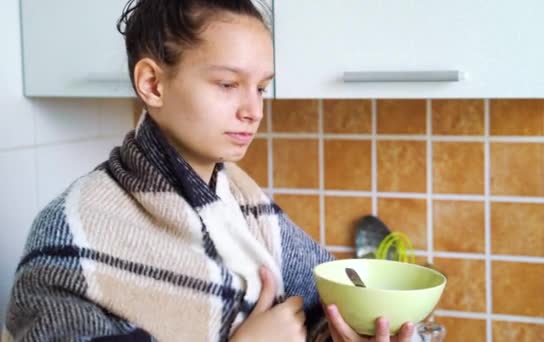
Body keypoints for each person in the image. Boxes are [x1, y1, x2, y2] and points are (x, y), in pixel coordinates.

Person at [2, 1, 416, 341]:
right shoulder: (73, 232)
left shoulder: (247, 207)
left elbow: (327, 311)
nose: (253, 111)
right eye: (226, 84)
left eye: (260, 87)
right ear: (153, 84)